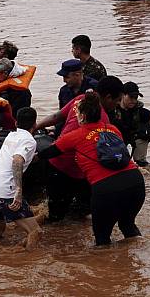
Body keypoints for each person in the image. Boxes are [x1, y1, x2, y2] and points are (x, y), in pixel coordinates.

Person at [37, 92, 146, 246]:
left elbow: (47, 153)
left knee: (102, 240)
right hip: (135, 183)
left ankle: (105, 269)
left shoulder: (74, 136)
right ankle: (136, 264)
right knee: (127, 226)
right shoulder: (113, 129)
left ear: (81, 116)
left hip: (106, 189)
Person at [35, 76, 124, 222]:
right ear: (108, 97)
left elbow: (56, 116)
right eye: (118, 100)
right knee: (67, 216)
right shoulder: (103, 121)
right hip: (65, 167)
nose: (118, 104)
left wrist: (35, 127)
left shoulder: (81, 99)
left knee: (61, 217)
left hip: (59, 164)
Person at [0, 107, 42, 250]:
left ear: (16, 123)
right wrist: (19, 190)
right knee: (35, 232)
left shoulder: (11, 136)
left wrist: (30, 158)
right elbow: (17, 160)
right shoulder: (29, 140)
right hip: (7, 192)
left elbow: (14, 157)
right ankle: (29, 264)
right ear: (34, 125)